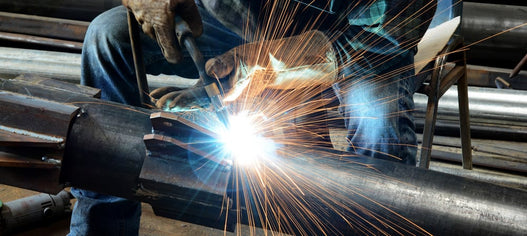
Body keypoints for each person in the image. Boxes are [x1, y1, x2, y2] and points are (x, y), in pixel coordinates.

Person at [69, 0, 436, 235]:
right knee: (108, 37)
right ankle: (104, 225)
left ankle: (383, 226)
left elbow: (385, 35)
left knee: (377, 119)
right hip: (241, 17)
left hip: (357, 38)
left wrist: (265, 63)